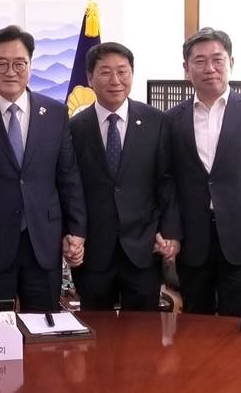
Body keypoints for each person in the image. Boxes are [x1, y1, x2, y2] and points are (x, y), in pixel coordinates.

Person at [0, 25, 87, 312]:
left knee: (44, 326)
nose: (11, 71)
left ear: (30, 66)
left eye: (19, 63)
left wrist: (77, 230)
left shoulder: (55, 113)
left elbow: (68, 176)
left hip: (43, 243)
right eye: (1, 64)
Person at [166, 27, 241, 316]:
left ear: (231, 62)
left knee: (240, 325)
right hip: (193, 239)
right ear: (186, 68)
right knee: (196, 324)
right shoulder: (172, 119)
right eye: (199, 61)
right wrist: (171, 232)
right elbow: (167, 183)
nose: (210, 68)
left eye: (217, 59)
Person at [68, 42, 182, 311]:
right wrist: (71, 234)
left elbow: (166, 181)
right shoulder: (74, 127)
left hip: (144, 247)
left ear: (132, 74)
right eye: (105, 72)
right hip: (93, 250)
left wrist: (171, 232)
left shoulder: (157, 122)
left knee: (143, 330)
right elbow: (69, 187)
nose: (115, 80)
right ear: (90, 78)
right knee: (97, 327)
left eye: (122, 71)